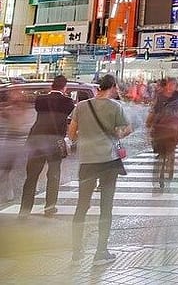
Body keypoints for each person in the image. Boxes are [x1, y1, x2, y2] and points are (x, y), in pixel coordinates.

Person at [68, 75, 131, 265]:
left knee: (82, 206)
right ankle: (101, 252)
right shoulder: (115, 107)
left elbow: (71, 134)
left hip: (87, 161)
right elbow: (127, 129)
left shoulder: (81, 106)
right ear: (112, 87)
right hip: (108, 160)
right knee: (106, 206)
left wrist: (85, 137)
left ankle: (77, 253)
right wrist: (116, 134)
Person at [19, 75, 76, 217]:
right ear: (65, 87)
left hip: (36, 139)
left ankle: (24, 210)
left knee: (31, 176)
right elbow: (68, 116)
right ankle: (49, 207)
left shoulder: (40, 99)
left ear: (52, 86)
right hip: (54, 141)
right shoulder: (68, 102)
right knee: (54, 174)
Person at [146, 79, 178, 190]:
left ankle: (168, 176)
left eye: (173, 85)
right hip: (160, 129)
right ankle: (159, 174)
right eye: (169, 85)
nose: (170, 87)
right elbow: (153, 111)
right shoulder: (159, 96)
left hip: (172, 130)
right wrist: (149, 124)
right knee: (160, 154)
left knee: (170, 154)